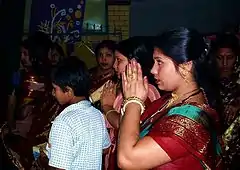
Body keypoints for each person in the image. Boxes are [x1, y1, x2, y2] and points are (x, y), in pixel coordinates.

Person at [117, 27, 223, 169]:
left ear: (186, 67)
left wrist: (133, 101)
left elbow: (127, 160)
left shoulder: (190, 120)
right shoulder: (170, 99)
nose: (153, 70)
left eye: (159, 62)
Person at [100, 37, 160, 170]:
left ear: (135, 64)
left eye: (119, 60)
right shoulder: (129, 89)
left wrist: (107, 107)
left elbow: (125, 124)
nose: (115, 66)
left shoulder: (146, 93)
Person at [48, 57, 110, 169]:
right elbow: (105, 148)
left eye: (55, 88)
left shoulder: (63, 122)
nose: (53, 93)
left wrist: (46, 155)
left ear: (68, 91)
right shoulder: (97, 114)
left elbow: (59, 167)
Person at [212, 33, 240, 169]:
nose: (224, 64)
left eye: (229, 58)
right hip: (215, 150)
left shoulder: (238, 79)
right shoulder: (207, 81)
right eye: (219, 58)